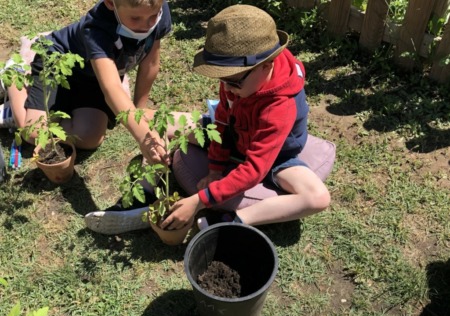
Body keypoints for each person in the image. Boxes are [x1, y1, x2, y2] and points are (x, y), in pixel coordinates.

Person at [85, 4, 331, 235]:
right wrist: (215, 168)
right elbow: (223, 120)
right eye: (222, 79)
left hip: (275, 157)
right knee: (161, 122)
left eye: (233, 81)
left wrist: (199, 201)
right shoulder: (239, 79)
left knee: (318, 197)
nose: (227, 87)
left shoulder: (280, 107)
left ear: (267, 66)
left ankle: (233, 221)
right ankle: (144, 196)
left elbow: (256, 168)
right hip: (236, 136)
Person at [1, 0, 172, 166]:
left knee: (90, 138)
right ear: (110, 3)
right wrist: (144, 135)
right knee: (33, 134)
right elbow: (111, 87)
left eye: (153, 16)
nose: (147, 25)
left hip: (92, 77)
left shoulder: (157, 9)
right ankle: (17, 77)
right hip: (58, 61)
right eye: (135, 19)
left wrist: (139, 111)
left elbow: (150, 63)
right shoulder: (96, 28)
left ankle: (47, 108)